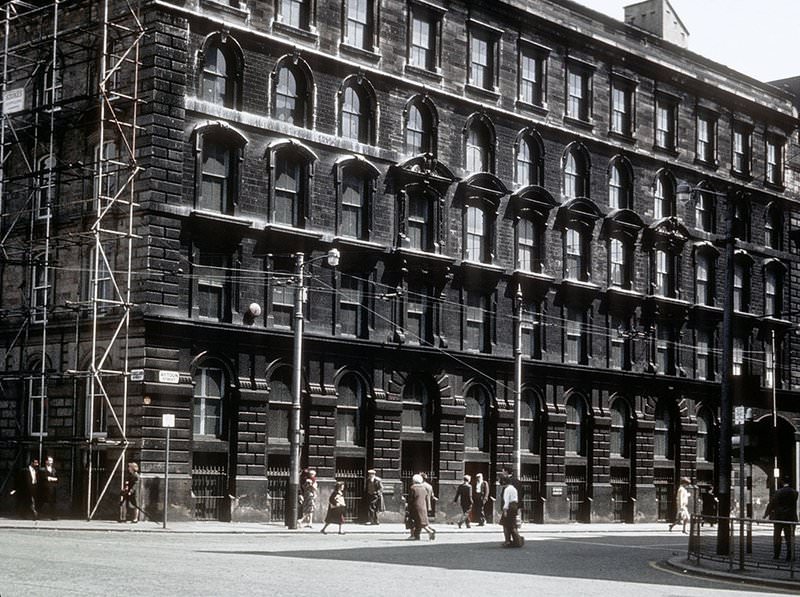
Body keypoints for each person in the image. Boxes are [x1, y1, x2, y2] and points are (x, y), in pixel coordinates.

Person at [764, 476, 799, 561]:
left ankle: (776, 554)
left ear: (782, 482)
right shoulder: (795, 493)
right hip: (790, 518)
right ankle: (790, 555)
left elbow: (771, 503)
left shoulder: (778, 492)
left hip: (779, 517)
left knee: (777, 537)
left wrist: (766, 514)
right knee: (790, 537)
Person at [407, 474, 435, 540]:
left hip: (415, 507)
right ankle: (416, 536)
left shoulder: (413, 488)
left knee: (419, 522)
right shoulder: (423, 488)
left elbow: (411, 499)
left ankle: (430, 531)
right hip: (423, 506)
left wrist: (408, 507)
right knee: (419, 522)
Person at [499, 471, 523, 547]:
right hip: (514, 506)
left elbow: (506, 501)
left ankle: (507, 541)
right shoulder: (513, 488)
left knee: (505, 525)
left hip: (509, 507)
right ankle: (518, 541)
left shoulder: (507, 490)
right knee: (512, 525)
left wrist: (505, 510)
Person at [37, 456, 59, 520]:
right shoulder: (42, 469)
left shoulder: (54, 470)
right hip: (44, 488)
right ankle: (37, 515)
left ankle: (53, 516)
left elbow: (57, 479)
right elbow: (42, 478)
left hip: (52, 489)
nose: (50, 462)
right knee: (41, 502)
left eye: (51, 461)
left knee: (52, 503)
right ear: (46, 461)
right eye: (49, 461)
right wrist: (48, 478)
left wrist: (50, 478)